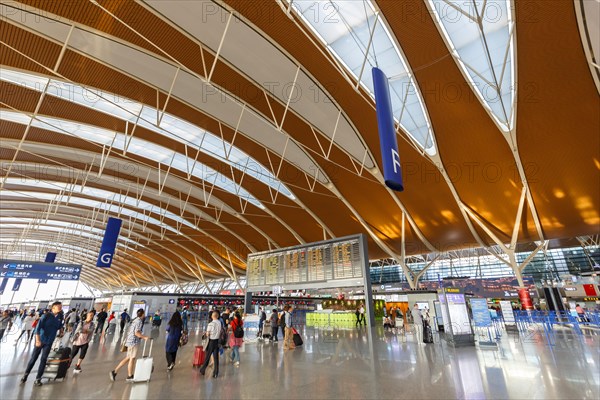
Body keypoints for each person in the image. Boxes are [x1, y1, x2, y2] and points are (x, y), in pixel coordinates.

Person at [20, 301, 63, 386]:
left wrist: (61, 330)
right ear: (53, 307)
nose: (60, 307)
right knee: (33, 358)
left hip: (49, 341)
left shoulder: (59, 317)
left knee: (43, 359)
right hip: (40, 340)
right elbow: (37, 328)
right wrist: (37, 340)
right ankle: (25, 375)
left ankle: (38, 379)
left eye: (61, 306)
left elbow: (59, 325)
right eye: (59, 306)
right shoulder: (46, 316)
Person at [110, 308, 149, 382]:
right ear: (143, 314)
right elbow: (137, 333)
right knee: (132, 358)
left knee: (128, 358)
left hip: (130, 341)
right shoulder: (139, 322)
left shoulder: (135, 320)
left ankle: (115, 371)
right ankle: (129, 375)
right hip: (133, 342)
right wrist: (144, 337)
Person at [199, 311, 222, 378]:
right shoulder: (219, 322)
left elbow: (207, 334)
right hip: (217, 341)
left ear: (212, 316)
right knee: (216, 358)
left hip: (211, 341)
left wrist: (205, 334)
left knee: (208, 356)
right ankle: (216, 373)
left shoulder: (210, 324)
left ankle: (203, 369)